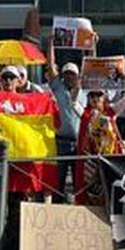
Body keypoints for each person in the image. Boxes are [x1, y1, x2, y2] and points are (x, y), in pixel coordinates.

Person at [46, 40, 86, 203]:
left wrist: (92, 45)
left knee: (79, 182)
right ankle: (57, 210)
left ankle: (79, 210)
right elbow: (50, 65)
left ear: (78, 76)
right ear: (62, 76)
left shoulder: (84, 90)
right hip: (60, 141)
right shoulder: (58, 87)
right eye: (66, 74)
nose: (69, 76)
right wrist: (51, 44)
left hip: (79, 143)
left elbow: (92, 66)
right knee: (59, 181)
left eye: (72, 74)